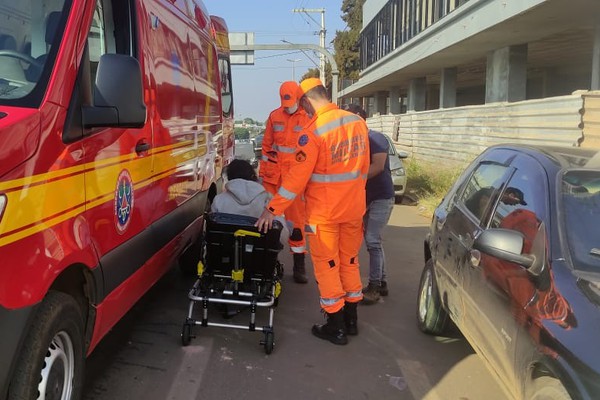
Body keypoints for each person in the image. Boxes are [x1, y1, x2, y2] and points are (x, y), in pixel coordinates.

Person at [256, 78, 370, 345]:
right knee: (350, 261)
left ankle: (336, 326)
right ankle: (351, 321)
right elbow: (364, 169)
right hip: (354, 209)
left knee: (328, 266)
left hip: (325, 214)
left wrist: (272, 209)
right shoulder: (357, 123)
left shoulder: (314, 130)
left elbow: (296, 179)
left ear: (306, 100)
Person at [260, 81, 312, 284]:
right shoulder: (275, 116)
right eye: (285, 101)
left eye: (291, 101)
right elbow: (266, 147)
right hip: (273, 179)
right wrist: (264, 175)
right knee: (266, 220)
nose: (287, 105)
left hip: (295, 181)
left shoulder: (308, 118)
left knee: (295, 225)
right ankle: (265, 261)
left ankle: (299, 264)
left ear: (299, 98)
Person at [343, 103, 394, 305]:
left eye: (348, 118)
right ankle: (382, 282)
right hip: (364, 197)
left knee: (372, 240)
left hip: (381, 197)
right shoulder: (352, 141)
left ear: (359, 117)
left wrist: (351, 180)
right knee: (373, 240)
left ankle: (374, 287)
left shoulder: (375, 137)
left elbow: (378, 166)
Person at [212, 159, 289, 244]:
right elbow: (282, 235)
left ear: (229, 177)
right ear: (253, 176)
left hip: (226, 252)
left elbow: (213, 231)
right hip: (261, 253)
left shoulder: (219, 200)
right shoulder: (267, 200)